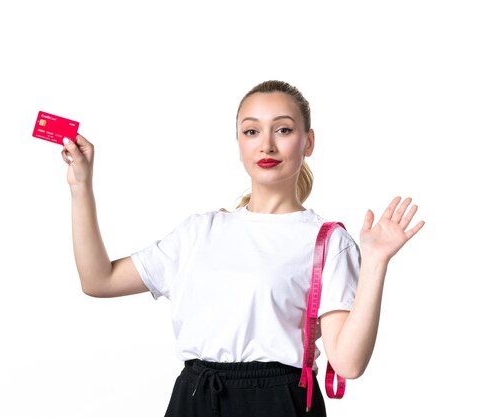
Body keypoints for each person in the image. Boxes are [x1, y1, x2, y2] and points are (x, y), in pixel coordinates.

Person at [61, 80, 425, 417]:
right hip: (195, 398)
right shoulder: (198, 232)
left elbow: (348, 363)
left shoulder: (327, 240)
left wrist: (376, 261)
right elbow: (99, 280)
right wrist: (81, 187)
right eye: (252, 131)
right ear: (238, 143)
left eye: (283, 129)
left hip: (278, 401)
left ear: (308, 142)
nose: (266, 144)